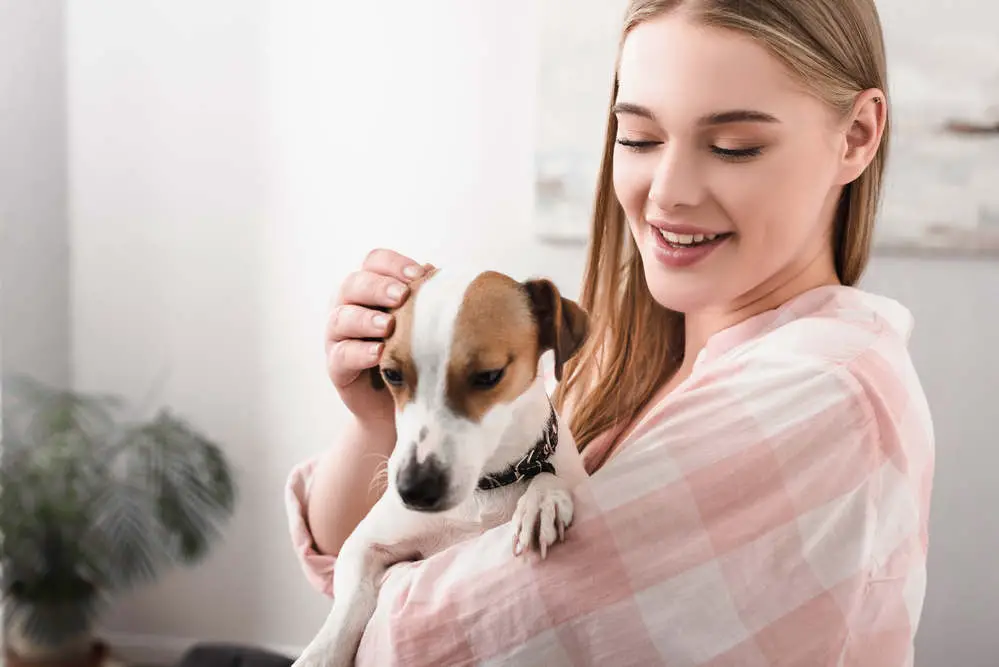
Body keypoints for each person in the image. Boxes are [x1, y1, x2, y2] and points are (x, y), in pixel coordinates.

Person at [285, 1, 935, 664]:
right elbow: (350, 564)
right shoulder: (620, 364)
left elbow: (409, 642)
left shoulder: (819, 390)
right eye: (638, 138)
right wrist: (376, 416)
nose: (668, 192)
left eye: (733, 146)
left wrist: (364, 591)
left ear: (855, 136)